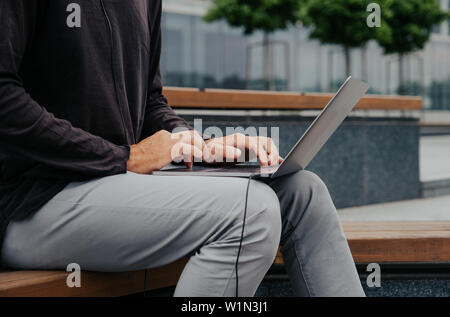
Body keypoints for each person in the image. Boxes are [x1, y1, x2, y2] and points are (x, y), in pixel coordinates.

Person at [0, 0, 364, 297]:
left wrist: (194, 143)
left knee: (303, 192)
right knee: (251, 212)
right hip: (33, 200)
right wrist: (125, 157)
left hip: (116, 184)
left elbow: (151, 100)